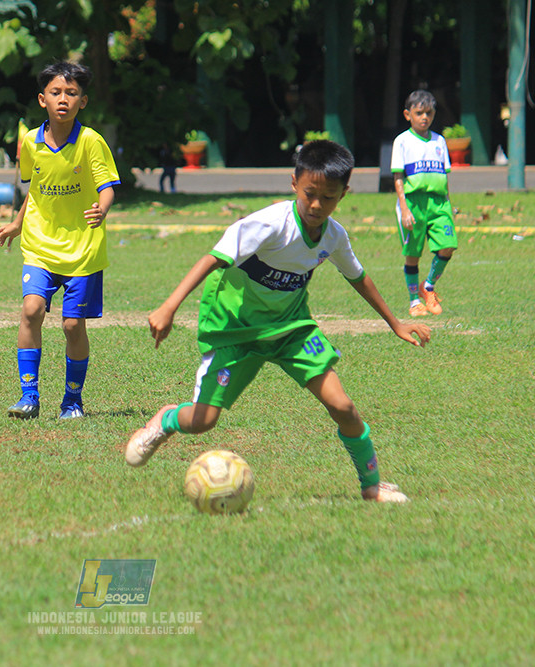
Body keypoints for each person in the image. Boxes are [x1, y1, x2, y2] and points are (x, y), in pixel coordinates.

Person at [123, 140, 431, 503]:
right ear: (294, 183)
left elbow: (358, 277)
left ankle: (372, 485)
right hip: (235, 329)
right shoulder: (269, 224)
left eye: (328, 198)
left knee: (343, 406)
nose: (317, 205)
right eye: (310, 193)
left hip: (291, 329)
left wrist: (395, 322)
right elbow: (214, 258)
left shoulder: (333, 236)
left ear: (344, 194)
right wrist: (169, 306)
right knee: (204, 421)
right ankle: (165, 420)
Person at [0, 61, 120, 420]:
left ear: (83, 101)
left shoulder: (91, 141)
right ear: (42, 98)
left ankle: (72, 401)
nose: (63, 99)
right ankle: (28, 397)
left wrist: (102, 209)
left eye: (72, 93)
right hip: (39, 244)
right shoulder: (30, 141)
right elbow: (36, 188)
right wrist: (18, 224)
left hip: (83, 249)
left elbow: (107, 186)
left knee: (71, 325)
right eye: (56, 92)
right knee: (31, 310)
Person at [391, 90, 458, 317]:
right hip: (413, 202)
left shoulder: (440, 141)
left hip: (439, 203)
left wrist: (448, 204)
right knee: (413, 254)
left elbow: (444, 175)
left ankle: (428, 286)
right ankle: (414, 302)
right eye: (419, 113)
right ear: (407, 114)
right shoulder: (402, 141)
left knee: (448, 245)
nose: (424, 118)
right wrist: (404, 208)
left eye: (428, 113)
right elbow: (398, 176)